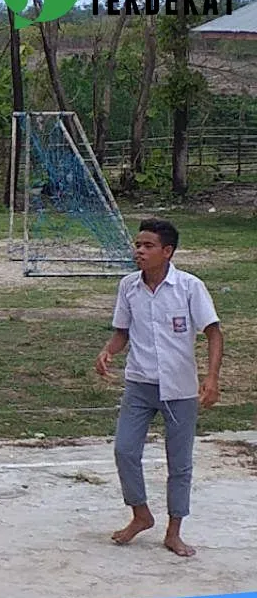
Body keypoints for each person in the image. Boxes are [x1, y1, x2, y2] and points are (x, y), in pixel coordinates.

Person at [95, 218, 224, 558]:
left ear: (167, 251)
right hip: (139, 383)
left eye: (148, 245)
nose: (139, 250)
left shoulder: (189, 287)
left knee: (179, 462)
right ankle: (140, 514)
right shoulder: (129, 287)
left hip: (180, 388)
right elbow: (122, 331)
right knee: (124, 450)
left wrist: (211, 378)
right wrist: (109, 350)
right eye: (138, 244)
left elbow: (213, 332)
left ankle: (174, 530)